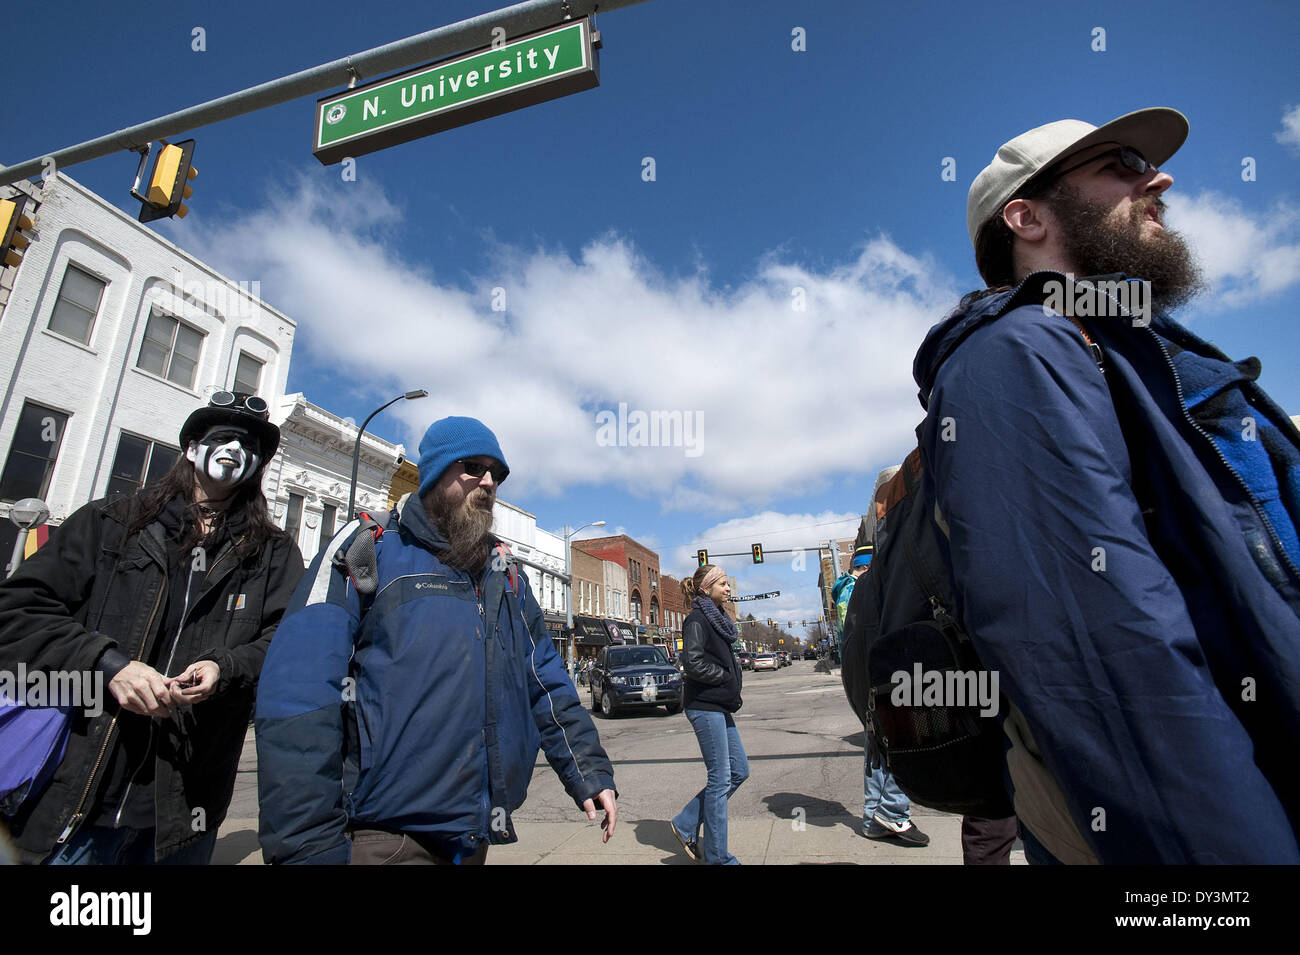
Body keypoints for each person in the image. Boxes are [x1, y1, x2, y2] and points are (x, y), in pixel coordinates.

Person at [917, 107, 1300, 863]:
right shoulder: (1018, 354)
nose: (1158, 180)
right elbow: (1109, 666)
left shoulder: (1136, 352)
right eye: (1119, 165)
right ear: (1026, 217)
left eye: (1143, 162)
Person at [256, 416, 617, 864]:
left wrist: (588, 771)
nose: (488, 482)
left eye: (497, 474)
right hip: (383, 835)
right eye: (473, 468)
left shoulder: (505, 574)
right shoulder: (368, 547)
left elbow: (546, 681)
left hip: (472, 834)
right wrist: (306, 844)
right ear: (434, 474)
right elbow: (299, 691)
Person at [0, 391, 303, 864]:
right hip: (82, 798)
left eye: (250, 446)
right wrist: (108, 665)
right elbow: (17, 613)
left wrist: (225, 667)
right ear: (192, 448)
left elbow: (287, 643)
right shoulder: (111, 522)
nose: (234, 450)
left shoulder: (274, 554)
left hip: (187, 807)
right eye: (223, 437)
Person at [838, 535, 931, 848]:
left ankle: (874, 819)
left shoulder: (853, 591)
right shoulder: (868, 588)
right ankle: (892, 810)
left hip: (866, 679)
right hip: (882, 677)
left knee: (878, 747)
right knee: (903, 739)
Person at [670, 564, 748, 864]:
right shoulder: (697, 619)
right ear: (707, 588)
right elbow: (692, 663)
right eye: (723, 584)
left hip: (719, 705)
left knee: (739, 770)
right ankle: (718, 858)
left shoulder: (717, 618)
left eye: (728, 583)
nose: (728, 589)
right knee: (720, 779)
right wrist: (725, 676)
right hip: (704, 705)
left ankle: (686, 822)